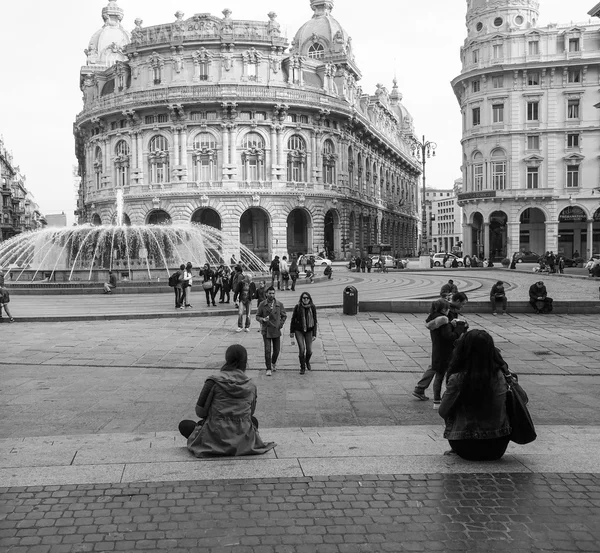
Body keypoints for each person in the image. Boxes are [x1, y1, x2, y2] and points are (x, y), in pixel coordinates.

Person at [178, 344, 276, 458]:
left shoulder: (213, 382)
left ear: (227, 359)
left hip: (214, 437)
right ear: (245, 361)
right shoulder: (251, 385)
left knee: (185, 425)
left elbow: (200, 412)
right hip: (242, 438)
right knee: (253, 421)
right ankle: (239, 444)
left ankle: (215, 445)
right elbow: (250, 413)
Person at [438, 330, 511, 461]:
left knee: (452, 405)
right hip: (497, 446)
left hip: (464, 445)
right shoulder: (501, 375)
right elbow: (522, 399)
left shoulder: (457, 378)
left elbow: (443, 411)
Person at [412, 298, 468, 408]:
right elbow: (448, 336)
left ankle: (432, 398)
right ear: (444, 309)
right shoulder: (443, 320)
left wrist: (451, 325)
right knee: (445, 375)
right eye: (448, 309)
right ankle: (445, 399)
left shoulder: (434, 319)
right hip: (446, 352)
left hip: (438, 350)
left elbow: (442, 333)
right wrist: (459, 329)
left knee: (437, 372)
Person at [256, 286, 287, 376]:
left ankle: (273, 363)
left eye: (273, 293)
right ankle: (268, 368)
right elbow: (257, 316)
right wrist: (262, 319)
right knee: (267, 349)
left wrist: (280, 324)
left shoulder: (279, 304)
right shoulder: (262, 304)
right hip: (266, 330)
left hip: (276, 330)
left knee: (277, 350)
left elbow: (284, 316)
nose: (271, 295)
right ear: (266, 294)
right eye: (269, 293)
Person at [289, 292, 318, 375]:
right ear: (301, 299)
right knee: (302, 349)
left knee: (309, 351)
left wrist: (314, 334)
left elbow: (315, 321)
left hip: (309, 330)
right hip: (299, 330)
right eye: (304, 298)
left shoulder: (312, 307)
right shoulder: (297, 307)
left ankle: (307, 361)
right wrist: (291, 331)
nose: (305, 299)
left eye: (307, 298)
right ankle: (302, 367)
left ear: (309, 299)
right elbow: (293, 319)